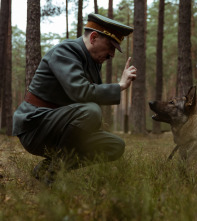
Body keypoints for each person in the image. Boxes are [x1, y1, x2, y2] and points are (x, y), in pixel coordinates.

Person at [12, 13, 137, 185]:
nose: (112, 54)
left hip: (60, 128)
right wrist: (119, 86)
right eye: (110, 46)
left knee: (114, 145)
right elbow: (81, 92)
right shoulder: (66, 51)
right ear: (93, 37)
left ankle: (45, 169)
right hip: (36, 126)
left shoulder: (92, 61)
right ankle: (53, 176)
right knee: (91, 111)